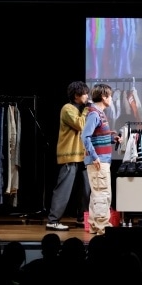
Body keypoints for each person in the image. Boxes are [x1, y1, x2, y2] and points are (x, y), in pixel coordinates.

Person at [46, 81, 92, 232]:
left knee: (86, 189)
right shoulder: (67, 108)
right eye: (85, 94)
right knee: (63, 189)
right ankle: (53, 220)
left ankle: (82, 218)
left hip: (82, 156)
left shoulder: (80, 109)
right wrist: (86, 110)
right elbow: (80, 125)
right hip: (69, 155)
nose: (87, 96)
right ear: (76, 95)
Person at [82, 83, 123, 235]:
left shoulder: (99, 113)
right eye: (110, 96)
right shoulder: (94, 114)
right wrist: (95, 157)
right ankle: (103, 228)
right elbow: (85, 136)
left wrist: (112, 139)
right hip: (99, 161)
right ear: (104, 97)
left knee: (97, 194)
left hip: (101, 160)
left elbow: (96, 136)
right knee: (102, 194)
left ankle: (95, 225)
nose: (111, 99)